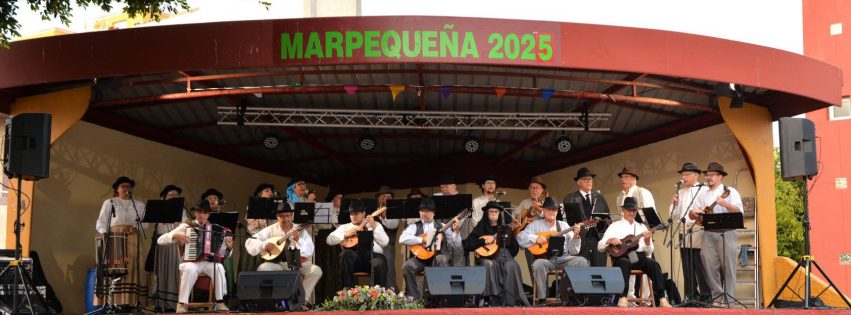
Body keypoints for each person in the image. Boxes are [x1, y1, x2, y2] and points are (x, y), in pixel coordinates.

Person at [157, 200, 233, 313]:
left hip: (208, 262)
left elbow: (222, 254)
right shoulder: (186, 226)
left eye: (204, 212)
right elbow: (160, 240)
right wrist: (175, 235)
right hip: (190, 262)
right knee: (190, 269)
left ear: (209, 214)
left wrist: (229, 248)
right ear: (195, 213)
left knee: (219, 268)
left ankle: (220, 302)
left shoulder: (216, 229)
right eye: (199, 212)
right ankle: (182, 303)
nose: (201, 215)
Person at [597, 197, 671, 308]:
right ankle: (623, 297)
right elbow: (600, 246)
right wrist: (609, 240)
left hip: (638, 257)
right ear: (623, 210)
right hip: (621, 257)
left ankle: (662, 298)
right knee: (624, 263)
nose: (632, 213)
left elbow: (648, 251)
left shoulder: (642, 227)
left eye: (634, 210)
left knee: (653, 264)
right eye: (629, 210)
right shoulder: (614, 226)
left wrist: (647, 241)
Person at [245, 203, 323, 305]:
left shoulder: (299, 229)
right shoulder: (270, 229)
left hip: (294, 260)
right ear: (277, 217)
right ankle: (276, 300)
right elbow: (250, 242)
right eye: (282, 216)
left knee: (316, 271)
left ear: (291, 216)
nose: (285, 219)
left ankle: (301, 300)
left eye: (288, 215)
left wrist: (298, 240)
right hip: (277, 263)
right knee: (263, 268)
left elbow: (309, 250)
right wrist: (263, 245)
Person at [689, 162, 743, 307]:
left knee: (729, 268)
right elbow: (693, 214)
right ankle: (718, 299)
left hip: (727, 233)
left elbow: (739, 212)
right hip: (708, 233)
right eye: (707, 175)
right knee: (709, 266)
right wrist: (694, 213)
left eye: (712, 175)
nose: (708, 177)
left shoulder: (730, 191)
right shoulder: (703, 193)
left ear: (720, 177)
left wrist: (725, 204)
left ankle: (729, 301)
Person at [517, 197, 587, 304]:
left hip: (563, 257)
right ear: (543, 210)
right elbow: (520, 237)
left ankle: (568, 295)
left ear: (557, 211)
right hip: (546, 259)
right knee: (537, 264)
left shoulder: (563, 225)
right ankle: (542, 299)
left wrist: (576, 236)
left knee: (582, 261)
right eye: (549, 209)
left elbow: (574, 251)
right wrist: (536, 238)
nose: (551, 212)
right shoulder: (536, 225)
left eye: (554, 210)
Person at [94, 176, 147, 308]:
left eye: (129, 186)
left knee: (133, 267)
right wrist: (106, 235)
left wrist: (137, 227)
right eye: (123, 186)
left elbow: (145, 224)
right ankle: (114, 302)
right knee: (116, 268)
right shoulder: (110, 202)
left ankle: (132, 301)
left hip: (133, 237)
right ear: (117, 189)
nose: (126, 189)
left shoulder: (139, 205)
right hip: (115, 238)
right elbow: (100, 223)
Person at [464, 201, 530, 306]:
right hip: (488, 258)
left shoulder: (505, 228)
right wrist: (484, 241)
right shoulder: (480, 228)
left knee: (511, 265)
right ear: (486, 213)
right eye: (491, 212)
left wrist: (507, 239)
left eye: (496, 212)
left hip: (504, 257)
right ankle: (492, 300)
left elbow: (514, 249)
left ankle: (510, 301)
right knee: (489, 264)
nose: (494, 213)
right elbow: (467, 244)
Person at [399, 198, 460, 300]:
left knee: (441, 259)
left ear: (433, 213)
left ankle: (441, 297)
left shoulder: (442, 226)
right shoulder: (414, 226)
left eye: (427, 211)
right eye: (422, 211)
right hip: (420, 259)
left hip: (437, 257)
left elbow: (456, 244)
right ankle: (414, 298)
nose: (424, 213)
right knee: (407, 265)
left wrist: (456, 232)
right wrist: (422, 240)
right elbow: (402, 239)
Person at [670, 163, 711, 302]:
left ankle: (705, 297)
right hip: (683, 228)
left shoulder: (704, 190)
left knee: (699, 264)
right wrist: (674, 204)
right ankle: (691, 296)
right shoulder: (680, 193)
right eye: (683, 175)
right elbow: (674, 216)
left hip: (698, 229)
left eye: (687, 174)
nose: (684, 177)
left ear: (695, 175)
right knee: (687, 265)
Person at [614, 166, 655, 300]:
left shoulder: (642, 192)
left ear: (633, 179)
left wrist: (647, 235)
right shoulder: (620, 196)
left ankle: (646, 298)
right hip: (626, 239)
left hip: (641, 235)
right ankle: (630, 297)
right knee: (627, 264)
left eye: (625, 177)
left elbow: (650, 216)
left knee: (646, 264)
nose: (622, 179)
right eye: (622, 177)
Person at [326, 200, 390, 288]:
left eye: (356, 214)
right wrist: (345, 234)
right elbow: (329, 240)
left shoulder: (375, 224)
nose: (353, 216)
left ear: (363, 213)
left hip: (372, 257)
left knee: (380, 261)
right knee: (345, 254)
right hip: (354, 260)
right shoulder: (345, 227)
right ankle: (349, 290)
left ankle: (379, 292)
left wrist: (374, 227)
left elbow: (385, 242)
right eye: (351, 214)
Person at [148, 184, 188, 311]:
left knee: (174, 273)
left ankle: (172, 304)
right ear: (165, 197)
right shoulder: (160, 208)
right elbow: (154, 223)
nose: (174, 197)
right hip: (161, 243)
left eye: (176, 195)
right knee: (160, 272)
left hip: (175, 243)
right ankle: (159, 304)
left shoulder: (182, 210)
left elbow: (185, 223)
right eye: (171, 194)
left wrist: (180, 224)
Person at [562, 167, 611, 267]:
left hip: (598, 239)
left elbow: (607, 218)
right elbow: (566, 223)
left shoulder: (599, 197)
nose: (589, 181)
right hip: (580, 239)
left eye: (590, 179)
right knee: (581, 272)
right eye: (586, 179)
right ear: (579, 182)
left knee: (600, 271)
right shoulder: (570, 199)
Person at [239, 183, 276, 274]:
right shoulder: (253, 206)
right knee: (253, 269)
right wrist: (263, 241)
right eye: (266, 191)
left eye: (271, 190)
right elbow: (253, 228)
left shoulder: (275, 207)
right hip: (255, 239)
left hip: (271, 240)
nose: (270, 192)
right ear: (260, 194)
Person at [516, 176, 549, 277]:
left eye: (537, 188)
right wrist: (523, 221)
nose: (534, 190)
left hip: (544, 239)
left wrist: (539, 209)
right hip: (529, 239)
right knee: (532, 269)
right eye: (532, 187)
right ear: (529, 189)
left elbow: (551, 216)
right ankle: (536, 292)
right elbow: (515, 218)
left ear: (542, 190)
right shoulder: (524, 203)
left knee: (544, 269)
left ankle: (544, 292)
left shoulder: (547, 201)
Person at [434, 174, 467, 266]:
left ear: (454, 186)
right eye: (442, 187)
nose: (444, 189)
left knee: (458, 256)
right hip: (442, 237)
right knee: (441, 258)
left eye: (446, 186)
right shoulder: (438, 200)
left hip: (458, 235)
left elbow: (462, 220)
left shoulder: (462, 200)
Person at [375, 185, 401, 288]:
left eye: (387, 197)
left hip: (388, 245)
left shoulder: (395, 210)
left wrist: (384, 217)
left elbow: (393, 225)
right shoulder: (373, 209)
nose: (384, 199)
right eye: (382, 196)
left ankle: (391, 292)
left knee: (389, 267)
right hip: (373, 244)